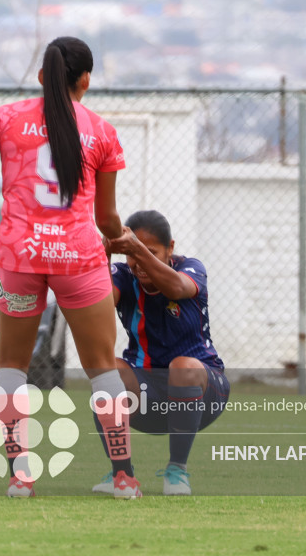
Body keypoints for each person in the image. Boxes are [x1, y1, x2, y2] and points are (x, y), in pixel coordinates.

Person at [0, 36, 141, 499]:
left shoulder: (7, 118)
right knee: (101, 368)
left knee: (12, 367)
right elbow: (105, 219)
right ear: (86, 81)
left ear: (41, 77)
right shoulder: (101, 131)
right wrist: (120, 238)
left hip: (20, 258)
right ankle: (123, 476)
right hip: (79, 259)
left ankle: (20, 476)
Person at [93, 210, 229, 496]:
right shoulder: (122, 275)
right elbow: (98, 307)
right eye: (131, 255)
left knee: (183, 367)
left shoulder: (190, 268)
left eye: (151, 252)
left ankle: (177, 471)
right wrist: (103, 254)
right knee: (107, 373)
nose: (138, 263)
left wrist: (136, 250)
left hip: (203, 391)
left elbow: (178, 288)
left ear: (171, 248)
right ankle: (121, 474)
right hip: (148, 394)